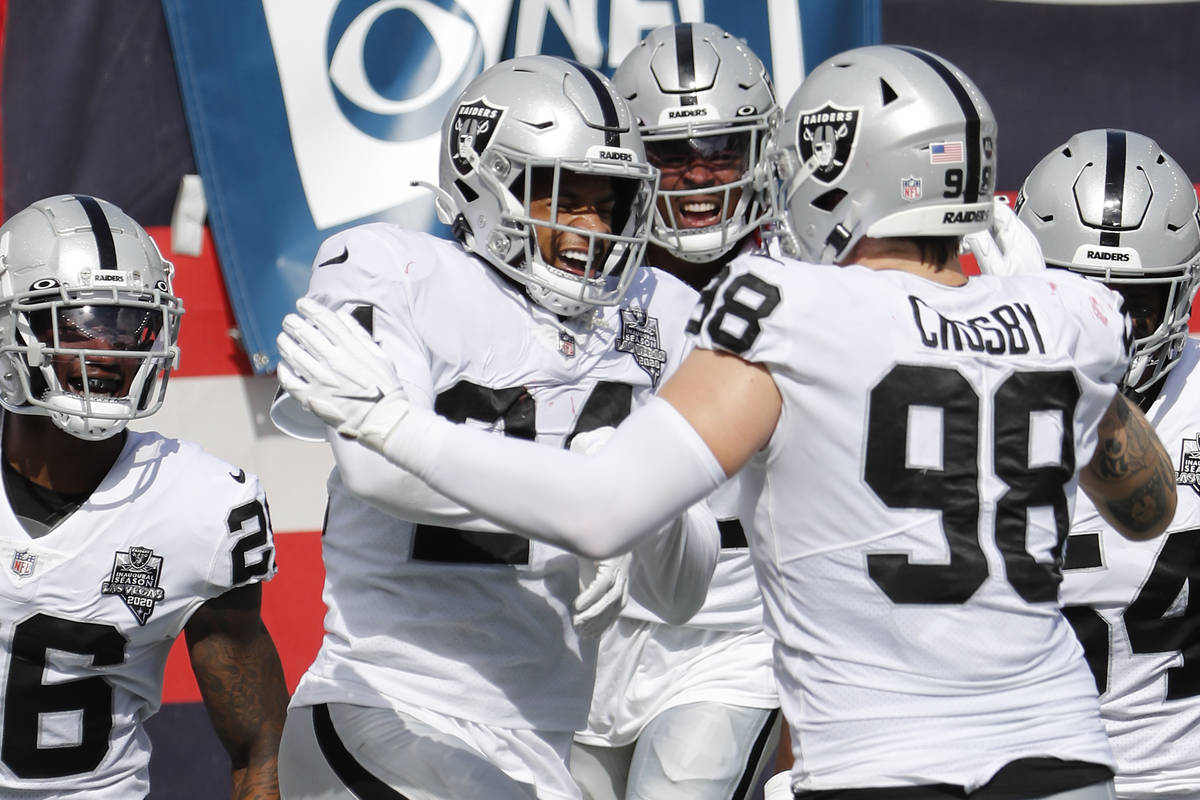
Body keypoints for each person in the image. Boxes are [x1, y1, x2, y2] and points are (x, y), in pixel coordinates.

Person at [277, 45, 1183, 800]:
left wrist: (402, 426)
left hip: (883, 753)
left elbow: (603, 508)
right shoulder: (1072, 317)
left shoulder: (787, 307)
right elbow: (1146, 507)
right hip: (1061, 746)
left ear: (833, 179)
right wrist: (1057, 336)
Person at [269, 55, 720, 800]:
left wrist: (647, 517)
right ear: (485, 184)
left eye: (606, 203)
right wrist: (586, 502)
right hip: (389, 705)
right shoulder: (394, 268)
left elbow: (681, 593)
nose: (590, 228)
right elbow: (377, 470)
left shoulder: (657, 313)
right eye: (563, 197)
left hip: (542, 734)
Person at [0, 194, 286, 798]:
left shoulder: (198, 506)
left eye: (129, 323)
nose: (109, 350)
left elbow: (259, 749)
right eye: (80, 322)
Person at [564, 22, 782, 800]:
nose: (697, 176)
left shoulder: (808, 285)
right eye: (670, 154)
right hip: (578, 632)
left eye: (720, 147)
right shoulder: (565, 274)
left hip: (730, 633)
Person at [1015, 129, 1200, 799]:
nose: (1106, 327)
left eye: (1133, 305)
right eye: (1080, 295)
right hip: (1017, 771)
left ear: (1180, 296)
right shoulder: (964, 395)